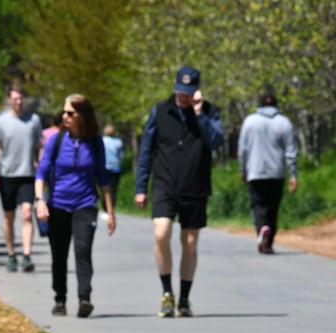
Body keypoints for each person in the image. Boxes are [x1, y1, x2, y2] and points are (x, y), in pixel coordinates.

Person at [134, 66, 224, 318]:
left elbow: (216, 141)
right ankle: (166, 293)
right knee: (161, 232)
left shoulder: (208, 111)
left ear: (196, 91)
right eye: (180, 91)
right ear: (174, 86)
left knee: (190, 241)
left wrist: (198, 114)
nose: (183, 97)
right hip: (165, 183)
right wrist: (141, 186)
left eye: (189, 92)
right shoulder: (160, 111)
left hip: (195, 186)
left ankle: (184, 298)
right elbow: (146, 151)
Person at [35, 94, 116, 318]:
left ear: (82, 115)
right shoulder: (57, 140)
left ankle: (84, 298)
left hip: (85, 204)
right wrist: (40, 200)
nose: (65, 116)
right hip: (58, 204)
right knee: (59, 254)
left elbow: (103, 178)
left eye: (70, 113)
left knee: (82, 251)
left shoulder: (95, 142)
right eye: (64, 112)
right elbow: (41, 172)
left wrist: (110, 212)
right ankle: (60, 299)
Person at [0, 85, 42, 272]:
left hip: (28, 174)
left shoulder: (34, 120)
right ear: (9, 100)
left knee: (27, 214)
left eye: (21, 99)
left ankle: (26, 255)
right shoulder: (0, 122)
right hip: (7, 175)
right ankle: (11, 254)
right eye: (15, 99)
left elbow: (39, 145)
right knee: (9, 216)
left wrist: (40, 163)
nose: (19, 102)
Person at [238, 90, 298, 254]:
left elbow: (242, 150)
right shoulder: (284, 122)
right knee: (273, 207)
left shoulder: (250, 121)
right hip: (277, 172)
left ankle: (262, 230)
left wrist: (242, 170)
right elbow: (291, 151)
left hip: (255, 171)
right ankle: (269, 242)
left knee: (258, 205)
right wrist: (293, 174)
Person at [100, 123, 124, 220]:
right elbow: (121, 156)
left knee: (104, 188)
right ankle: (111, 208)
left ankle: (106, 209)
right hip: (115, 167)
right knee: (113, 189)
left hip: (104, 167)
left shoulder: (102, 141)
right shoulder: (118, 142)